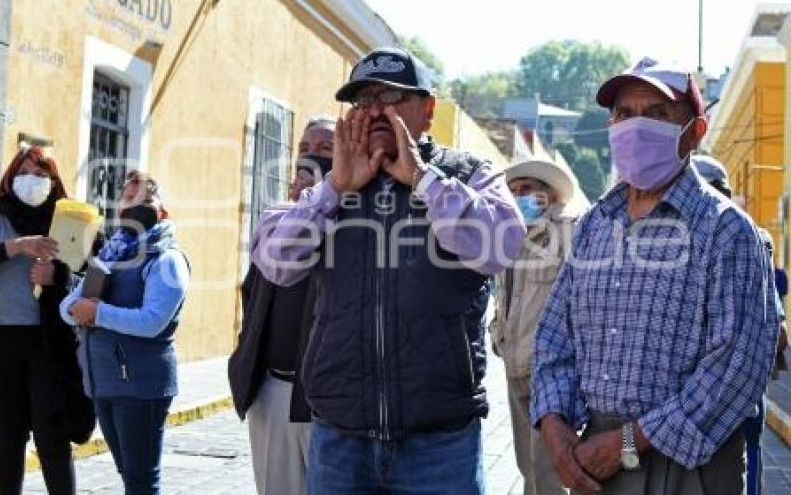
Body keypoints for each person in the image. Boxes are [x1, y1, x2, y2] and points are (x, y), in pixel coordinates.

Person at [252, 46, 526, 494]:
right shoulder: (332, 183)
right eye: (364, 101)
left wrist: (423, 179)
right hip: (341, 435)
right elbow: (275, 265)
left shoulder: (467, 172)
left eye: (391, 97)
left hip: (439, 440)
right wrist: (336, 188)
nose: (376, 110)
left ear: (427, 109)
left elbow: (503, 245)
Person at [531, 57, 779, 494]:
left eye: (657, 114)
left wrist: (628, 441)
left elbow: (736, 369)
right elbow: (554, 339)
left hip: (689, 467)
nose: (635, 127)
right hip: (596, 462)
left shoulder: (726, 230)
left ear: (695, 132)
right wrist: (554, 428)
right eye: (624, 114)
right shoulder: (593, 226)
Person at [0, 146, 94, 495]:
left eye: (42, 174)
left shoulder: (70, 221)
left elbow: (88, 278)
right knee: (8, 436)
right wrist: (17, 246)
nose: (33, 180)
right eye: (25, 171)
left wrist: (56, 278)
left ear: (54, 181)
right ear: (11, 176)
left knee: (52, 435)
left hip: (47, 342)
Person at [60, 171, 190, 495]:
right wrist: (77, 310)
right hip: (104, 381)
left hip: (142, 385)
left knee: (141, 479)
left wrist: (97, 313)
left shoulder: (167, 259)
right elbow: (67, 307)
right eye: (129, 199)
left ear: (164, 211)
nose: (135, 206)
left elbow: (153, 320)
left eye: (146, 200)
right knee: (128, 474)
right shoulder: (109, 254)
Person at [228, 116, 334, 495]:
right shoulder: (275, 219)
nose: (311, 156)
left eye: (326, 149)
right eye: (305, 148)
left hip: (325, 399)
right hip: (272, 389)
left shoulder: (357, 219)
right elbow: (253, 293)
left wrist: (325, 201)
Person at [692, 154, 786, 495]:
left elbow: (776, 328)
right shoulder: (750, 234)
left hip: (712, 399)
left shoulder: (748, 237)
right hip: (738, 395)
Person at [490, 158, 578, 495]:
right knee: (526, 466)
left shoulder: (568, 231)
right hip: (515, 367)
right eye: (513, 191)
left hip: (551, 373)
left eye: (526, 189)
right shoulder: (509, 235)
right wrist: (497, 333)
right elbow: (504, 294)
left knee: (549, 473)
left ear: (549, 194)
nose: (518, 196)